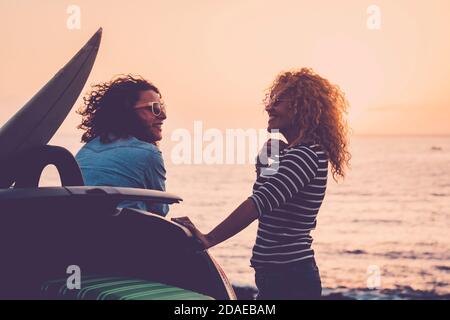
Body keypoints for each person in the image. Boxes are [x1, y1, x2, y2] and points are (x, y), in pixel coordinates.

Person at [172, 68, 350, 299]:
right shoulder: (295, 153)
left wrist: (209, 239)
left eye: (278, 101)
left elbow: (258, 203)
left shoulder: (305, 154)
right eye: (270, 100)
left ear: (301, 107)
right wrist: (264, 163)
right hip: (279, 274)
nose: (269, 107)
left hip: (289, 278)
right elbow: (269, 203)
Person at [75, 74, 169, 216]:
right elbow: (160, 210)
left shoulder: (85, 151)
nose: (163, 115)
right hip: (125, 234)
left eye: (161, 107)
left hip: (84, 232)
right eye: (154, 108)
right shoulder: (148, 153)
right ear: (127, 112)